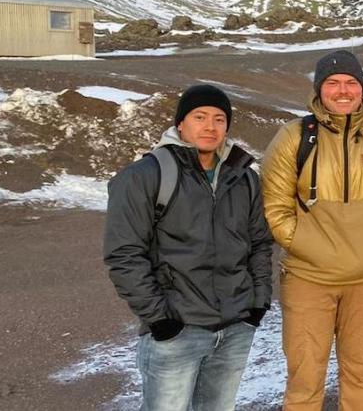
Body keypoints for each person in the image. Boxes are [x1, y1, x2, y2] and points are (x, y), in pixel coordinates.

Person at [261, 49, 363, 410]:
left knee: (361, 375)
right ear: (319, 90)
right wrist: (310, 246)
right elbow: (275, 208)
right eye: (333, 83)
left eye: (351, 83)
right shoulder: (294, 137)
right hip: (308, 279)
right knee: (304, 379)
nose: (343, 91)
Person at [104, 84, 271, 411]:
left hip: (235, 326)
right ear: (181, 123)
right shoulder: (145, 176)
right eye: (200, 116)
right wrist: (160, 319)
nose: (210, 126)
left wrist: (257, 303)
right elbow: (124, 255)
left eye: (219, 119)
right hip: (177, 329)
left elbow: (260, 244)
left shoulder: (244, 178)